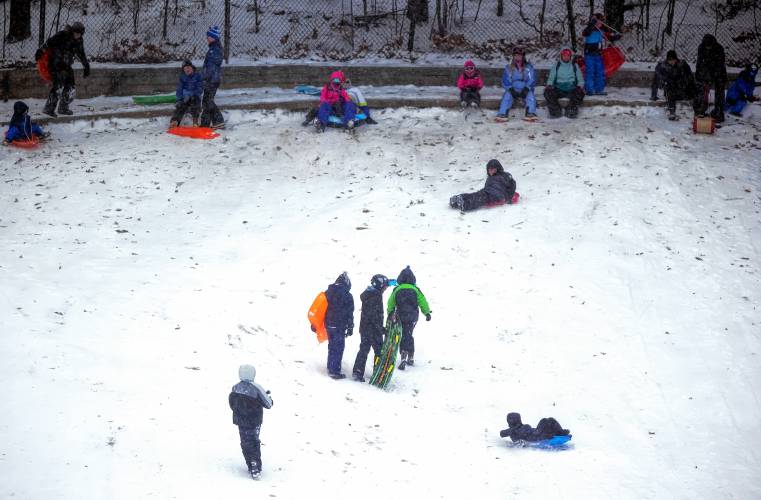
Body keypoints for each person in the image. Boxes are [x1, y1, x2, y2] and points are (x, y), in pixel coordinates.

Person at [229, 364, 273, 479]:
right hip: (254, 421)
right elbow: (268, 404)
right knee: (254, 441)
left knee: (245, 441)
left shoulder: (235, 388)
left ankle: (250, 463)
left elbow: (231, 404)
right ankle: (255, 464)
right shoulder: (256, 388)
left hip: (240, 421)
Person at [37, 22, 90, 117]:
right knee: (59, 86)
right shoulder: (62, 35)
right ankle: (49, 108)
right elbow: (49, 42)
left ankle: (63, 108)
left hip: (66, 65)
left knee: (71, 87)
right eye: (76, 33)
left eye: (80, 34)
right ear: (72, 31)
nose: (77, 35)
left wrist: (86, 66)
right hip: (55, 63)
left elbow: (81, 54)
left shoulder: (79, 41)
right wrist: (40, 51)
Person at [386, 266, 431, 370]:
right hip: (413, 316)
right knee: (409, 333)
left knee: (402, 334)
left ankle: (403, 355)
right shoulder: (415, 289)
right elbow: (422, 301)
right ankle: (410, 355)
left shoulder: (397, 289)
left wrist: (390, 314)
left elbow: (390, 303)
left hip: (400, 315)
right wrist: (427, 313)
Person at [352, 274, 388, 382]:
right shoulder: (375, 296)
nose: (385, 289)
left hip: (365, 328)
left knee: (364, 349)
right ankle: (378, 372)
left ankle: (357, 371)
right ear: (380, 285)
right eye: (384, 287)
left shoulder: (370, 293)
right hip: (373, 329)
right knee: (379, 351)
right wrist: (380, 328)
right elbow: (373, 315)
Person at [449, 159, 517, 212]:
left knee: (479, 199)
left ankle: (464, 204)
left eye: (492, 169)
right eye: (489, 169)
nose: (490, 171)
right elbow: (488, 187)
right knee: (477, 194)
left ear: (497, 169)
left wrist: (509, 198)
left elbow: (512, 185)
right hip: (488, 192)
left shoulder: (505, 175)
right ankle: (460, 198)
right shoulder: (490, 178)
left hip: (496, 196)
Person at [650, 50, 697, 120]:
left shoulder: (682, 64)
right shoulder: (662, 66)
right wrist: (654, 95)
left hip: (683, 90)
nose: (672, 62)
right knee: (670, 91)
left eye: (673, 60)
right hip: (671, 90)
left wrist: (686, 85)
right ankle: (672, 111)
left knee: (694, 91)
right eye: (670, 60)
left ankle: (697, 112)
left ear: (676, 59)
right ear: (667, 60)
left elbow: (690, 77)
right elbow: (656, 80)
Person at [581, 13, 621, 96]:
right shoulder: (589, 29)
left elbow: (609, 37)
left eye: (602, 22)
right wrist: (592, 24)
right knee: (590, 72)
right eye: (598, 22)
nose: (600, 24)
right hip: (589, 55)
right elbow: (585, 33)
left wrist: (617, 36)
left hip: (598, 54)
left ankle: (599, 89)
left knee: (600, 72)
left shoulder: (601, 30)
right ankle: (589, 90)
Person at [324, 272, 355, 379]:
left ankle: (330, 366)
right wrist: (350, 326)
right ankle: (334, 371)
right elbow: (349, 313)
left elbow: (322, 308)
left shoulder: (327, 292)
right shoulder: (348, 295)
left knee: (332, 345)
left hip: (328, 324)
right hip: (339, 325)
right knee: (338, 347)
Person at [496, 47, 537, 120]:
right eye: (515, 55)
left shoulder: (528, 67)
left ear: (523, 56)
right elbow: (505, 80)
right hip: (513, 87)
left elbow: (532, 79)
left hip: (525, 87)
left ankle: (530, 112)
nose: (517, 57)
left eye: (520, 55)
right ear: (513, 56)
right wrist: (510, 89)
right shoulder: (509, 67)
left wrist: (527, 88)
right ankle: (502, 113)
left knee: (530, 96)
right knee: (507, 96)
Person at [694, 34, 727, 123]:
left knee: (720, 91)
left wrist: (713, 75)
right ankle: (700, 110)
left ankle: (719, 112)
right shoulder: (701, 48)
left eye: (710, 46)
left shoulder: (719, 49)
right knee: (702, 89)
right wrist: (701, 75)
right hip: (705, 71)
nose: (708, 48)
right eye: (706, 46)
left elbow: (720, 65)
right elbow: (700, 63)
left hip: (719, 72)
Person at [544, 47, 585, 118]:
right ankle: (555, 111)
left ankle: (571, 111)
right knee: (548, 92)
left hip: (571, 87)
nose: (566, 57)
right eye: (564, 55)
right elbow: (551, 78)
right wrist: (549, 85)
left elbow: (580, 79)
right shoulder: (556, 65)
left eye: (568, 56)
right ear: (561, 56)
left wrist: (580, 86)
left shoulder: (574, 65)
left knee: (580, 93)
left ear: (570, 57)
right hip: (559, 87)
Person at [200, 26, 225, 129]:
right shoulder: (214, 48)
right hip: (211, 79)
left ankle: (218, 121)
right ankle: (205, 124)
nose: (207, 38)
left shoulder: (214, 50)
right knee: (206, 101)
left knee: (208, 101)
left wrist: (203, 76)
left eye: (209, 36)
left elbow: (210, 68)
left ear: (213, 37)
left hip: (212, 80)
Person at [169, 60, 203, 128]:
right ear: (183, 69)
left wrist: (192, 94)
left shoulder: (197, 76)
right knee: (180, 106)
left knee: (195, 105)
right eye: (185, 68)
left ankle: (195, 121)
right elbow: (179, 89)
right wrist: (179, 99)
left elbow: (200, 88)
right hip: (185, 97)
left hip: (195, 96)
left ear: (192, 67)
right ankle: (175, 121)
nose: (187, 69)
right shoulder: (182, 77)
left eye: (188, 67)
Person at [499, 412, 570, 443]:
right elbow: (502, 433)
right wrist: (544, 437)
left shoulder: (521, 426)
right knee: (544, 421)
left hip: (536, 432)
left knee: (550, 420)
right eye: (516, 419)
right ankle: (557, 432)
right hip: (535, 436)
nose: (518, 420)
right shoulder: (512, 431)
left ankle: (560, 432)